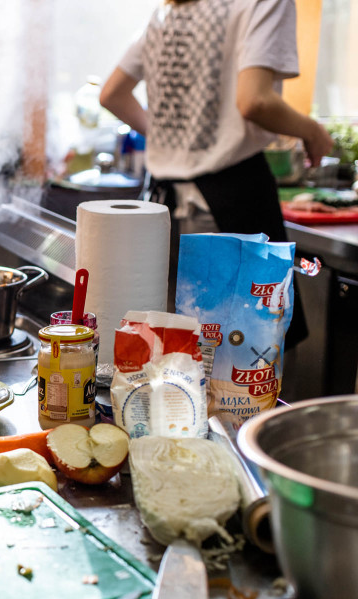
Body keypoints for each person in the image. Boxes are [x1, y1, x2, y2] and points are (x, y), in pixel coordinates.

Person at [99, 0, 334, 345]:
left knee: (175, 355)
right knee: (251, 355)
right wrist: (313, 132)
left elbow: (112, 94)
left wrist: (175, 141)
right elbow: (255, 101)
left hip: (165, 207)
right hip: (229, 207)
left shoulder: (169, 10)